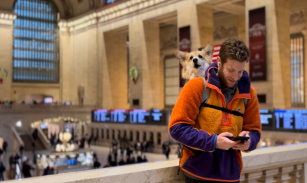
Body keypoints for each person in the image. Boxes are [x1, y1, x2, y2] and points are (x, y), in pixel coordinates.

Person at [168, 38, 261, 183]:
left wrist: (249, 141)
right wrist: (214, 142)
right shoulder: (196, 87)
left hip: (231, 177)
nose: (235, 77)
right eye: (231, 70)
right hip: (197, 176)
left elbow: (255, 131)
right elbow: (177, 128)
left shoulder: (249, 94)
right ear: (219, 62)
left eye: (240, 72)